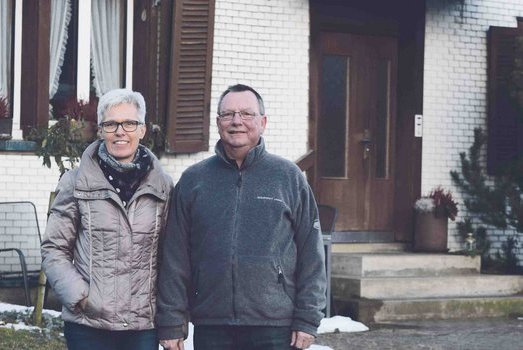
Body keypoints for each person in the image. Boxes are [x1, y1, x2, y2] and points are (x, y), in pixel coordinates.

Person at [156, 84, 327, 350]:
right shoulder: (194, 180)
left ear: (263, 122)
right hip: (212, 325)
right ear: (218, 122)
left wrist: (307, 319)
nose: (237, 121)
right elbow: (175, 257)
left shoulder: (289, 177)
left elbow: (311, 254)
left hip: (274, 327)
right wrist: (171, 322)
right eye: (228, 114)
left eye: (247, 114)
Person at [41, 88, 173, 350]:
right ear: (101, 130)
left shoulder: (163, 186)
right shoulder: (76, 182)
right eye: (111, 124)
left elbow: (171, 256)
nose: (120, 131)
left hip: (142, 327)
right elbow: (54, 248)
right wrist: (79, 297)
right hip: (88, 326)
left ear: (142, 130)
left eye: (129, 123)